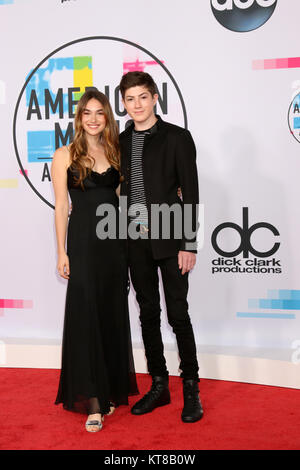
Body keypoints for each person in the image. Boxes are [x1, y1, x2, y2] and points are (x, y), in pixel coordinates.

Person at [51, 89, 138, 433]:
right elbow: (61, 206)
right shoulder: (65, 154)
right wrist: (61, 251)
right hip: (84, 245)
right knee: (86, 316)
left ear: (107, 118)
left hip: (113, 245)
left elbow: (122, 199)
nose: (93, 118)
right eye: (87, 112)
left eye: (99, 113)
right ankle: (93, 401)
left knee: (111, 312)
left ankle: (111, 388)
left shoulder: (115, 151)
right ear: (78, 117)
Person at [119, 71, 203, 423]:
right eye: (129, 99)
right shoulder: (121, 141)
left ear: (155, 97)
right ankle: (159, 385)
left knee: (178, 315)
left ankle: (190, 388)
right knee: (147, 314)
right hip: (134, 241)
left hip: (171, 240)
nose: (136, 105)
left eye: (142, 96)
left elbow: (191, 192)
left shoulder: (177, 138)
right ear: (123, 104)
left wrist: (189, 244)